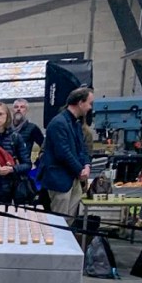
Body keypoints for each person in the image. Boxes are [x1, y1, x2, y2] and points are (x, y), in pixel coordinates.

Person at [38, 87, 93, 219]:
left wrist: (87, 165)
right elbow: (63, 152)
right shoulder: (58, 123)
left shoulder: (75, 123)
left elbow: (82, 148)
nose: (90, 107)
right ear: (80, 103)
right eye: (89, 103)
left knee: (69, 219)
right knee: (59, 221)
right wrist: (80, 170)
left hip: (73, 178)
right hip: (60, 180)